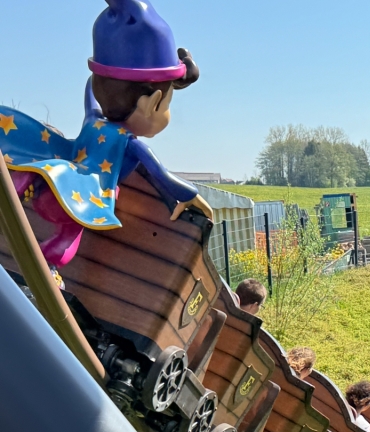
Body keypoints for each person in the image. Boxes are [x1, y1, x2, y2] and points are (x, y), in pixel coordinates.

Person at [1, 0, 212, 268]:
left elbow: (90, 89)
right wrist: (191, 195)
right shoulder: (130, 144)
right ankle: (48, 268)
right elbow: (162, 175)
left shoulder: (94, 119)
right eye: (167, 106)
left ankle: (15, 188)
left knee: (38, 166)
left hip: (58, 174)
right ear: (152, 104)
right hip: (81, 200)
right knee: (69, 233)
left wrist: (105, 71)